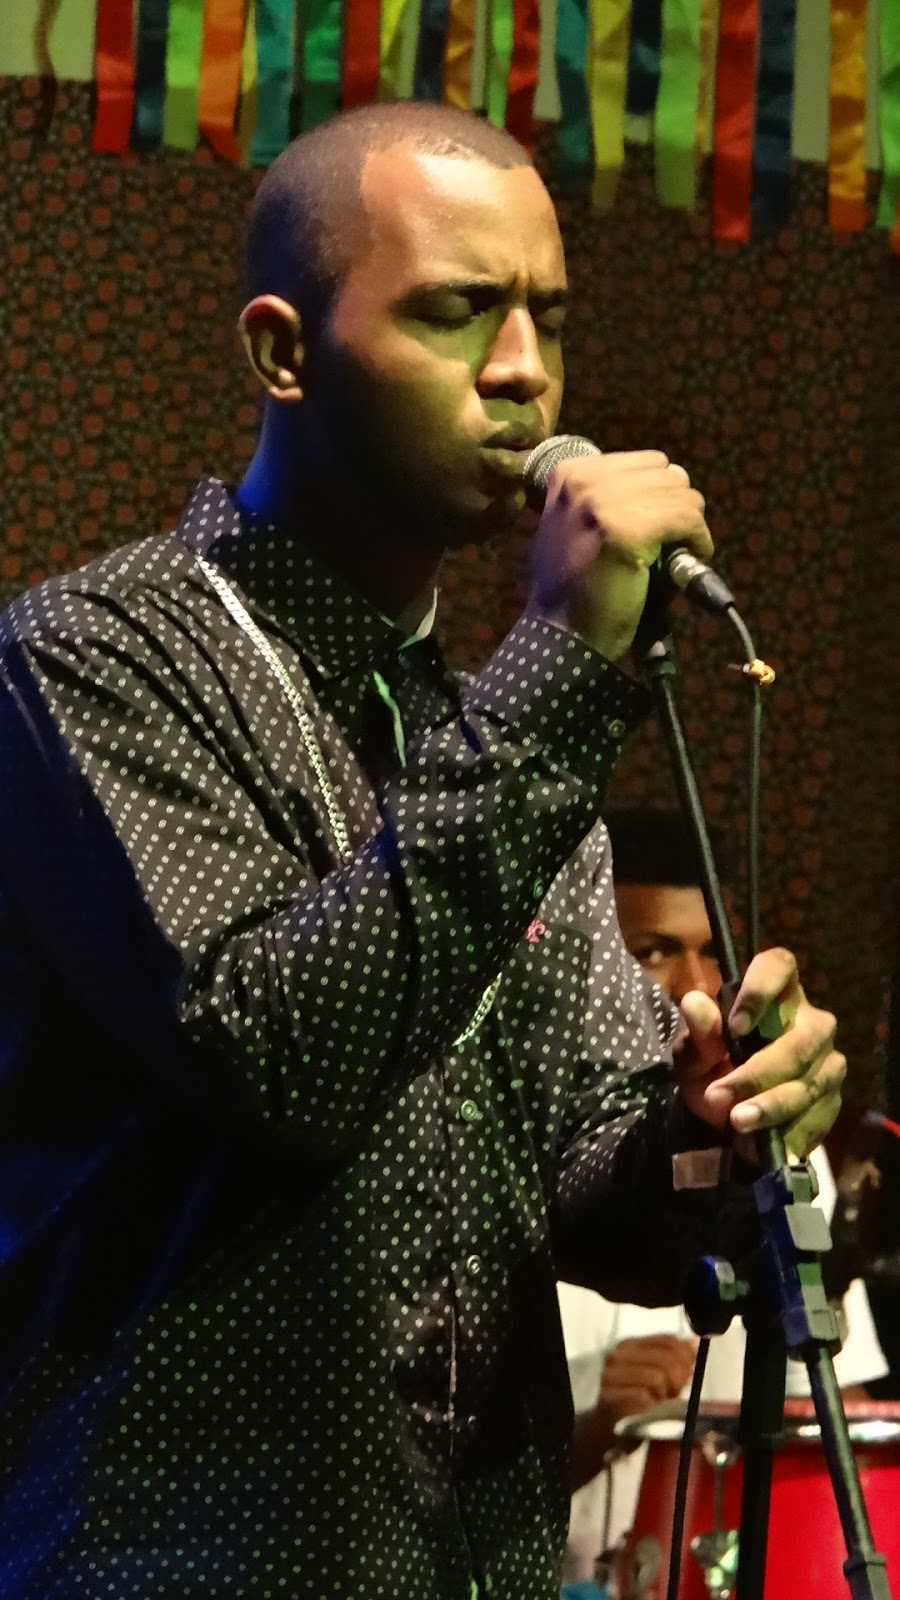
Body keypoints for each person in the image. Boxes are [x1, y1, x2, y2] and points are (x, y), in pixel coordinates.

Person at [0, 103, 844, 1600]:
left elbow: (590, 1191)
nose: (525, 371)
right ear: (284, 353)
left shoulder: (496, 727)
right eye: (458, 313)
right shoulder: (96, 655)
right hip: (178, 1563)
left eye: (548, 319)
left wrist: (707, 1127)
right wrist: (561, 667)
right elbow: (278, 1056)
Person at [559, 809, 886, 1592]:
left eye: (712, 953)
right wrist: (594, 1425)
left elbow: (836, 1404)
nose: (695, 989)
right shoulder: (513, 1145)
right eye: (651, 951)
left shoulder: (768, 1142)